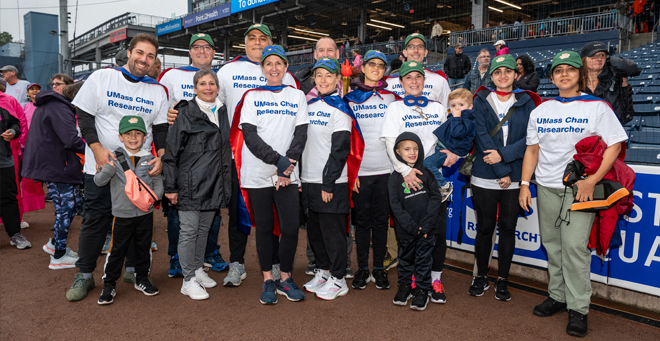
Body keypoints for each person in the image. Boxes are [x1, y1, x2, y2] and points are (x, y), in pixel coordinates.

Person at [520, 51, 628, 337]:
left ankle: (578, 308)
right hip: (545, 186)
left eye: (570, 70)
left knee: (574, 249)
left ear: (579, 74)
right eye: (558, 71)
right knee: (553, 246)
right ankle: (558, 296)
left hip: (579, 188)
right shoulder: (541, 109)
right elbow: (533, 150)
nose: (564, 74)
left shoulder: (597, 107)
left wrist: (592, 180)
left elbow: (615, 145)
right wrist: (524, 184)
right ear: (552, 77)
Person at [66, 33, 169, 302]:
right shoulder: (102, 78)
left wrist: (161, 155)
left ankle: (134, 272)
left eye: (150, 56)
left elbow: (159, 129)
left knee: (137, 222)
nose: (144, 60)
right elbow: (85, 116)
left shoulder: (157, 90)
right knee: (96, 221)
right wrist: (98, 148)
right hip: (102, 167)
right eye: (140, 53)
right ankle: (85, 275)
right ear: (129, 52)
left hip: (139, 170)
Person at [212, 24, 300, 288]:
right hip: (241, 154)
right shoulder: (228, 70)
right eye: (253, 38)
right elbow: (215, 107)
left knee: (273, 214)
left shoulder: (288, 77)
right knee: (239, 211)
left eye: (264, 38)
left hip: (280, 159)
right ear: (245, 43)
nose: (258, 42)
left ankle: (274, 262)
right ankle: (236, 263)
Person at [230, 45, 309, 304]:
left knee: (289, 228)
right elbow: (249, 135)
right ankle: (267, 280)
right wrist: (279, 160)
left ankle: (285, 277)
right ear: (262, 68)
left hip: (287, 173)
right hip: (258, 173)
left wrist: (289, 164)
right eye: (269, 64)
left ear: (286, 67)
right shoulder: (251, 96)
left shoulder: (297, 95)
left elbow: (301, 133)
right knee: (263, 227)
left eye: (279, 63)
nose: (274, 68)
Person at [381, 60, 453, 304]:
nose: (414, 81)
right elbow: (390, 143)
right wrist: (404, 171)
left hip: (432, 179)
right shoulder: (395, 109)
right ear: (401, 83)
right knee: (409, 233)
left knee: (437, 232)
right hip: (406, 179)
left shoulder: (438, 107)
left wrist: (455, 153)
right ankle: (411, 279)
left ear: (424, 81)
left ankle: (434, 279)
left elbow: (449, 140)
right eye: (408, 78)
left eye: (418, 77)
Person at [469, 54, 540, 301]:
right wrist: (502, 170)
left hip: (514, 174)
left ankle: (503, 280)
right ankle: (481, 276)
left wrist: (504, 158)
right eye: (498, 73)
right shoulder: (480, 98)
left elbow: (531, 139)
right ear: (492, 75)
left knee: (508, 228)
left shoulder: (526, 101)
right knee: (485, 228)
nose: (502, 76)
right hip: (486, 174)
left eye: (507, 72)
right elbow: (479, 134)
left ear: (515, 75)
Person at [159, 33, 228, 278]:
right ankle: (181, 262)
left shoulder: (221, 102)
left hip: (211, 172)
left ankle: (203, 259)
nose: (201, 51)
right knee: (184, 224)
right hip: (186, 169)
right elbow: (161, 111)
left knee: (208, 221)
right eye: (196, 47)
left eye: (207, 47)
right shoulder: (172, 78)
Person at [301, 57, 363, 301]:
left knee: (333, 234)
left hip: (331, 183)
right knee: (315, 233)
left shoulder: (341, 109)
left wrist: (328, 183)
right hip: (308, 179)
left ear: (338, 79)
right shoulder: (309, 104)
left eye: (329, 75)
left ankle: (338, 279)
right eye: (319, 75)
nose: (323, 80)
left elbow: (339, 151)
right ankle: (323, 271)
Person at [344, 50, 399, 290]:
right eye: (371, 64)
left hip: (386, 171)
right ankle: (362, 269)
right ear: (363, 68)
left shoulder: (393, 98)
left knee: (380, 223)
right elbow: (344, 138)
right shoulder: (350, 98)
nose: (376, 68)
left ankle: (379, 268)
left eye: (380, 65)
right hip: (361, 172)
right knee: (362, 223)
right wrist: (350, 172)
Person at [95, 115, 164, 304]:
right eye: (128, 134)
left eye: (138, 134)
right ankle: (109, 284)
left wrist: (155, 197)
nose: (133, 138)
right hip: (122, 214)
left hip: (145, 214)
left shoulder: (150, 159)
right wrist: (108, 169)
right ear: (120, 137)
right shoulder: (113, 157)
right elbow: (99, 182)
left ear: (144, 137)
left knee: (144, 248)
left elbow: (157, 181)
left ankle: (142, 278)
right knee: (117, 250)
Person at [22, 83, 85, 269]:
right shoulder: (59, 107)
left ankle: (56, 245)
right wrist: (95, 151)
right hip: (55, 165)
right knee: (66, 207)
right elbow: (71, 139)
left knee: (71, 205)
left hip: (54, 163)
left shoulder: (54, 104)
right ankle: (59, 255)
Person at [389, 132, 443, 311]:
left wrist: (426, 225)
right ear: (397, 151)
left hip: (428, 229)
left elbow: (436, 198)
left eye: (415, 148)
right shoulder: (394, 178)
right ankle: (405, 287)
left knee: (423, 260)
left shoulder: (427, 173)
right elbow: (395, 205)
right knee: (405, 259)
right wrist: (412, 227)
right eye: (407, 149)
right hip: (406, 230)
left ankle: (421, 290)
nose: (412, 152)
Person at [425, 88, 477, 202]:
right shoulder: (457, 117)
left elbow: (457, 133)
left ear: (470, 106)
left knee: (427, 164)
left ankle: (444, 186)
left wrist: (457, 117)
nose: (457, 108)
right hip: (445, 148)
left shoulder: (468, 119)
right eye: (453, 105)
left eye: (461, 104)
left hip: (451, 150)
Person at [0, 77, 31, 250]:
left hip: (3, 159)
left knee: (8, 197)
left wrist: (13, 131)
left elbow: (16, 123)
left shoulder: (7, 100)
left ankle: (15, 234)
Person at [580, 41, 639, 125]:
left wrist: (624, 85)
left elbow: (626, 116)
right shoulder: (575, 84)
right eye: (593, 56)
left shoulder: (614, 80)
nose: (599, 59)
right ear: (584, 59)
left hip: (611, 134)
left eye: (602, 55)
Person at [386, 33, 451, 108]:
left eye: (420, 47)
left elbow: (447, 112)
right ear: (405, 52)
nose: (416, 50)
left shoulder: (440, 80)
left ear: (425, 52)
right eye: (411, 47)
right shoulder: (390, 82)